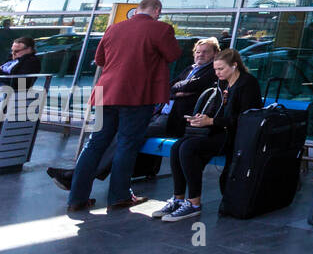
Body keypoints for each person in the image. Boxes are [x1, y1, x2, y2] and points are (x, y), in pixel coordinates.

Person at [46, 38, 220, 190]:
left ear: (214, 54)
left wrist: (176, 89)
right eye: (198, 51)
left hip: (174, 122)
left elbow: (188, 87)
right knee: (117, 132)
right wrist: (177, 90)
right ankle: (79, 174)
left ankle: (78, 177)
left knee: (127, 134)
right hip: (159, 116)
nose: (200, 55)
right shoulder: (189, 69)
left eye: (205, 52)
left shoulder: (212, 71)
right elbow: (169, 87)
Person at [67, 0, 181, 213]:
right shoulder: (161, 29)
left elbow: (99, 60)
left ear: (137, 10)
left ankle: (76, 199)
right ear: (157, 10)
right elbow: (173, 54)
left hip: (104, 94)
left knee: (94, 144)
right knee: (127, 144)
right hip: (135, 96)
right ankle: (119, 196)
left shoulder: (113, 29)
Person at [154, 48, 261, 223]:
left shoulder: (247, 84)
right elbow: (216, 109)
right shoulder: (223, 83)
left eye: (221, 69)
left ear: (234, 66)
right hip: (218, 130)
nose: (217, 73)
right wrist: (201, 119)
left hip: (235, 137)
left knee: (188, 148)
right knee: (177, 147)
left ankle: (194, 202)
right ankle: (178, 198)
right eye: (215, 69)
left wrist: (211, 122)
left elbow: (245, 118)